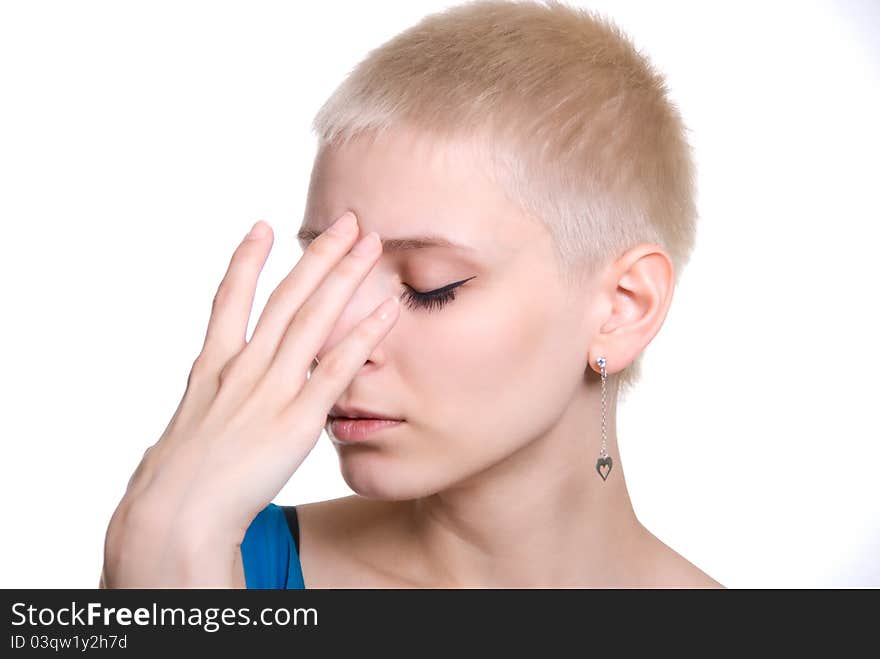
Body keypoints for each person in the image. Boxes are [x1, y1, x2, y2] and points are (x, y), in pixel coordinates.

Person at [101, 0, 723, 589]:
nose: (338, 338)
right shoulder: (205, 556)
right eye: (330, 274)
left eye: (429, 288)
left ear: (623, 306)